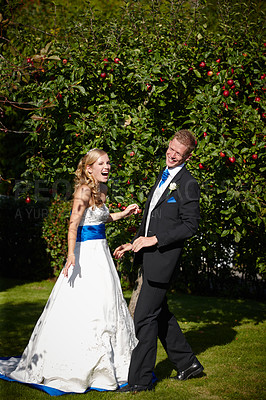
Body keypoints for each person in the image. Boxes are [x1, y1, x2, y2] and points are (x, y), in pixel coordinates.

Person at [0, 149, 139, 395]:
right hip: (85, 254)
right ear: (89, 169)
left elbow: (100, 220)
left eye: (108, 162)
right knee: (83, 305)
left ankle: (112, 363)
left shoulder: (103, 190)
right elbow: (73, 224)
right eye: (101, 163)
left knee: (107, 304)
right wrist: (71, 254)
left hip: (101, 254)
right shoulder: (83, 191)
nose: (107, 166)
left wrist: (123, 213)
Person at [114, 129, 204, 393]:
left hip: (163, 260)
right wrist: (135, 242)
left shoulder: (188, 183)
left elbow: (190, 226)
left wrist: (154, 239)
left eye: (178, 153)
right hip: (149, 257)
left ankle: (140, 381)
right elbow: (152, 217)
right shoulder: (163, 176)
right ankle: (188, 363)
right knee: (159, 314)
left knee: (144, 317)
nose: (172, 155)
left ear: (187, 156)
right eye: (171, 148)